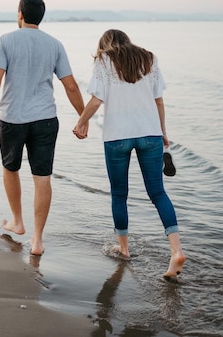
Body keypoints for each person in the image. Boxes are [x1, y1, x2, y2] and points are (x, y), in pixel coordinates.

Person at [0, 0, 86, 256]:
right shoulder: (55, 44)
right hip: (46, 120)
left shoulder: (6, 40)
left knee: (10, 168)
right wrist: (83, 118)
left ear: (20, 14)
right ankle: (37, 240)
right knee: (42, 177)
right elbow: (70, 85)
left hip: (13, 119)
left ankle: (18, 221)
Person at [73, 29, 186, 280]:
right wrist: (163, 131)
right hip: (150, 134)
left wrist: (81, 121)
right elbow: (158, 101)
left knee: (119, 194)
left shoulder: (104, 61)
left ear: (105, 45)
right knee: (158, 193)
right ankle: (176, 250)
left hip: (117, 136)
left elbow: (95, 100)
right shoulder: (149, 58)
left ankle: (124, 249)